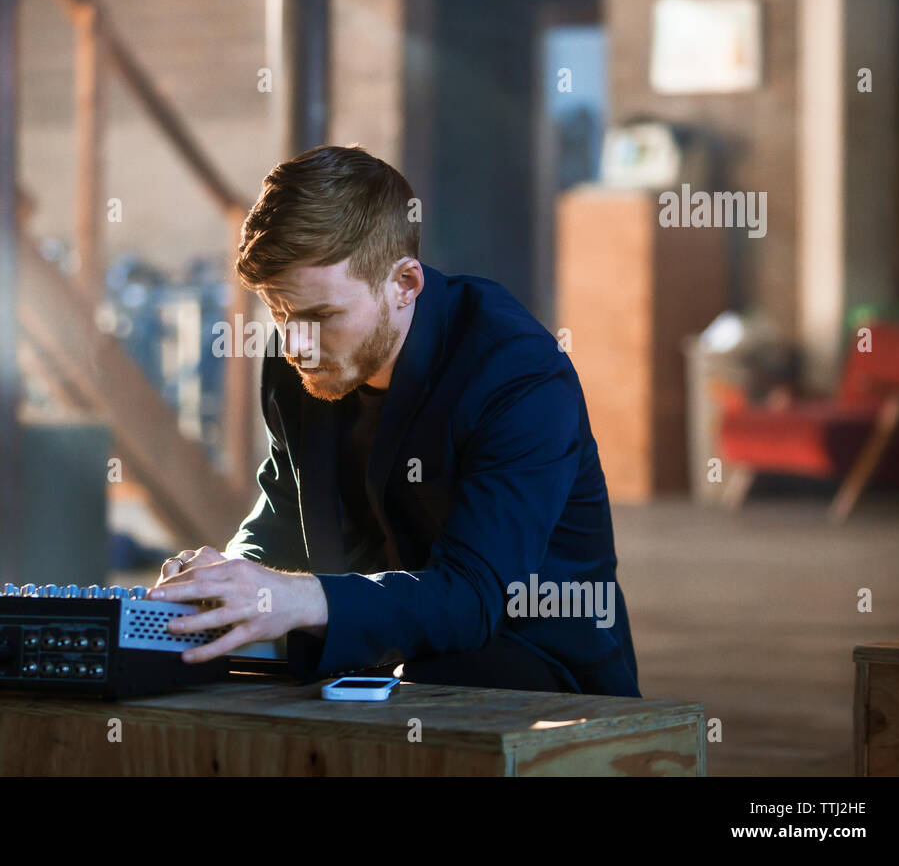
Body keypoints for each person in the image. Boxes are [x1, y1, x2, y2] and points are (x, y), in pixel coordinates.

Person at [150, 144, 640, 697]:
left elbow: (472, 598)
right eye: (279, 312)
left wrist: (300, 599)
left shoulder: (515, 375)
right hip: (382, 658)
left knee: (437, 680)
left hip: (536, 666)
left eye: (322, 316)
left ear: (404, 284)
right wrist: (226, 582)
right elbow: (282, 519)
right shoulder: (294, 361)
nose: (296, 345)